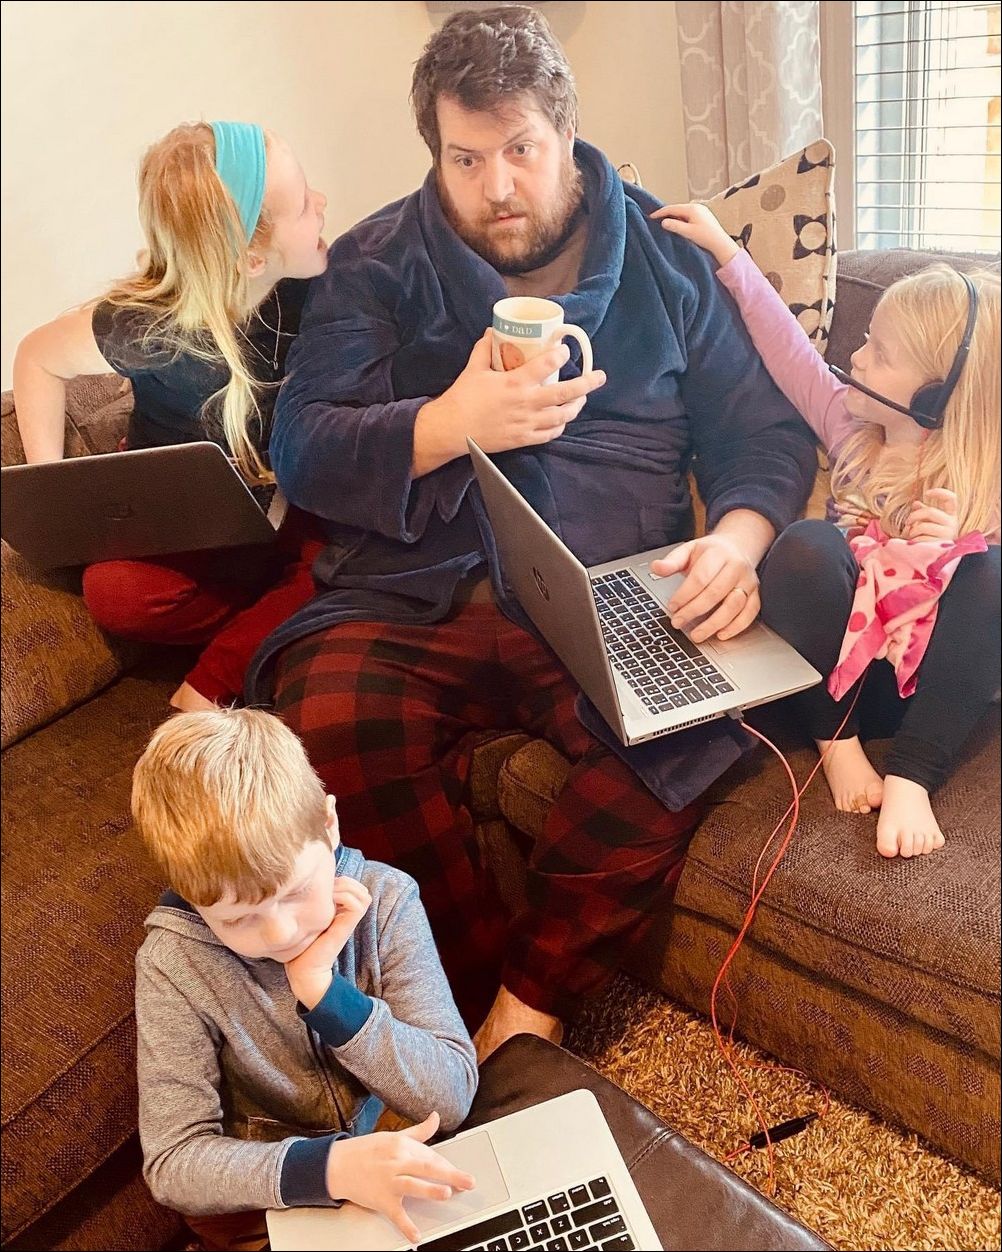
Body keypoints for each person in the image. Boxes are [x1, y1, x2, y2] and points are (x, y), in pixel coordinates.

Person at [246, 5, 818, 1059]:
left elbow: (763, 436)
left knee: (689, 734)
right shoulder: (376, 261)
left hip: (610, 587)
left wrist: (738, 541)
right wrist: (446, 424)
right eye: (466, 159)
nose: (497, 186)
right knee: (324, 720)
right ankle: (449, 1006)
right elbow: (303, 446)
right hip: (415, 588)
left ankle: (524, 1010)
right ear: (435, 151)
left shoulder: (666, 258)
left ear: (566, 132)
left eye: (521, 150)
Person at [655, 202, 1001, 859]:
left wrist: (965, 543)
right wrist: (728, 255)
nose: (856, 358)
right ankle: (837, 748)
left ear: (932, 396)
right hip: (837, 681)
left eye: (879, 352)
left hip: (925, 693)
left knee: (991, 572)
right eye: (864, 340)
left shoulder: (985, 479)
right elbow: (790, 352)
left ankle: (912, 778)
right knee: (807, 545)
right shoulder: (849, 428)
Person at [131, 707, 478, 1251]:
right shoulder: (172, 964)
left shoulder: (387, 900)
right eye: (237, 919)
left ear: (328, 824)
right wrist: (330, 1169)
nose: (280, 933)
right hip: (259, 1198)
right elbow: (174, 1162)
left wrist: (326, 993)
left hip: (377, 1145)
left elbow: (451, 1096)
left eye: (295, 892)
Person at [12, 121, 329, 713]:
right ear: (252, 257)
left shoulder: (324, 292)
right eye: (306, 204)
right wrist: (51, 483)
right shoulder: (144, 326)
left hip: (298, 518)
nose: (324, 204)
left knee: (355, 555)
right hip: (195, 531)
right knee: (114, 593)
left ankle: (223, 670)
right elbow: (37, 357)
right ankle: (282, 623)